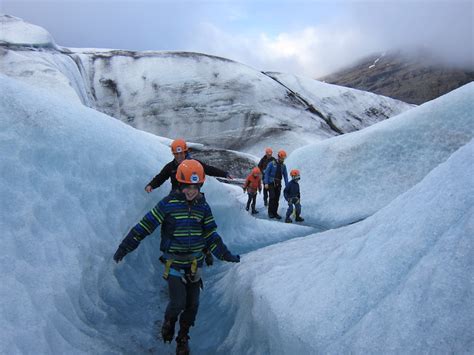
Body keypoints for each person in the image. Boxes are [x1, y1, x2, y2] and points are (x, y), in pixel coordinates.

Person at [113, 160, 240, 355]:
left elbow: (210, 235)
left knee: (193, 305)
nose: (191, 191)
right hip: (174, 263)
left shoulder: (203, 207)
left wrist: (225, 255)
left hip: (194, 264)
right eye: (187, 186)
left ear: (200, 185)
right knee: (178, 302)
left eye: (195, 187)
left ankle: (183, 337)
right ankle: (169, 321)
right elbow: (145, 226)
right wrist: (125, 248)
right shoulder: (167, 205)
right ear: (180, 185)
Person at [145, 138, 232, 194]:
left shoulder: (194, 164)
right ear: (173, 154)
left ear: (185, 152)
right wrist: (151, 185)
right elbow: (160, 177)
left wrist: (224, 174)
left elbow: (208, 169)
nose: (179, 156)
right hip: (176, 196)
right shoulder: (170, 167)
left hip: (192, 195)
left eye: (181, 153)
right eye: (176, 154)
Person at [264, 150, 288, 219]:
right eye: (282, 158)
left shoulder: (283, 166)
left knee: (276, 199)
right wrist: (266, 183)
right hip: (271, 183)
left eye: (284, 158)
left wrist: (287, 186)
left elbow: (285, 176)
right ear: (279, 156)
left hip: (278, 183)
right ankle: (270, 212)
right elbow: (267, 173)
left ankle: (275, 213)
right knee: (272, 197)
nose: (283, 159)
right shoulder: (272, 163)